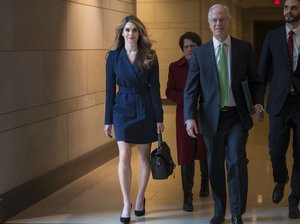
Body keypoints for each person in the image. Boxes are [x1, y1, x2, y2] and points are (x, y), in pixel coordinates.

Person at [184, 4, 264, 224]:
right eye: (214, 20)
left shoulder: (243, 48)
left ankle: (237, 212)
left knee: (236, 161)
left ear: (229, 22)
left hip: (237, 116)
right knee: (215, 165)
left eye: (222, 19)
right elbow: (191, 89)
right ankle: (219, 211)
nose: (218, 24)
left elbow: (256, 81)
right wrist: (189, 117)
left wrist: (258, 103)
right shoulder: (199, 54)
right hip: (211, 119)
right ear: (209, 24)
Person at [104, 15, 164, 224]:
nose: (131, 34)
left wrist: (159, 118)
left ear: (140, 34)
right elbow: (110, 90)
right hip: (121, 109)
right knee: (123, 156)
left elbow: (155, 90)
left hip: (144, 107)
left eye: (135, 30)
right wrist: (107, 120)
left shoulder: (150, 55)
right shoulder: (113, 57)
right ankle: (126, 202)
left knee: (144, 156)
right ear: (122, 33)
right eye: (127, 30)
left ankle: (140, 198)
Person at [257, 0, 300, 219]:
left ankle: (294, 200)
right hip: (278, 104)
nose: (289, 11)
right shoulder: (273, 36)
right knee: (275, 151)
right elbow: (261, 72)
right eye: (286, 7)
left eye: (293, 7)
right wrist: (259, 103)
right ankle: (280, 178)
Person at [165, 31, 209, 212]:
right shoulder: (175, 66)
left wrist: (202, 100)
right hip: (184, 115)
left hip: (205, 114)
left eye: (193, 46)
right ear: (182, 49)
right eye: (186, 47)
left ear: (199, 47)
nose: (190, 49)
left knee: (205, 151)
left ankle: (205, 184)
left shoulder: (208, 64)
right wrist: (188, 99)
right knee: (186, 154)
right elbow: (169, 91)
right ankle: (187, 196)